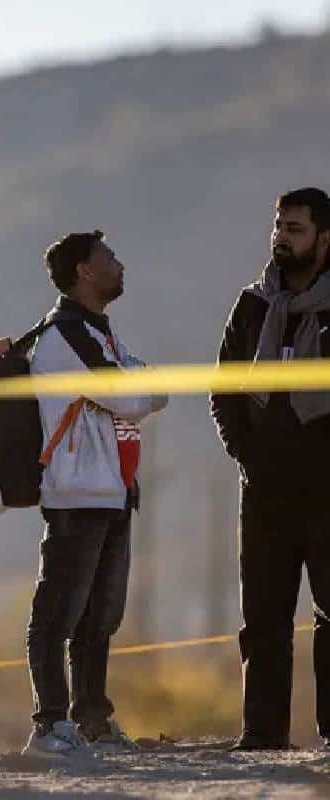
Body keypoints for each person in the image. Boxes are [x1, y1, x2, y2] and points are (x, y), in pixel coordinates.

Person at [23, 230, 168, 758]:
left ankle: (93, 721)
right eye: (110, 258)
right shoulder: (64, 334)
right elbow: (133, 395)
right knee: (59, 612)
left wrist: (137, 385)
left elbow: (149, 387)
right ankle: (50, 725)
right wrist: (136, 385)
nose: (120, 265)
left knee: (100, 617)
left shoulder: (99, 333)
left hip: (113, 491)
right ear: (84, 271)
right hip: (76, 493)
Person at [210, 187, 330, 750]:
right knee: (262, 616)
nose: (283, 237)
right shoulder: (254, 305)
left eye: (297, 229)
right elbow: (224, 390)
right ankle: (261, 735)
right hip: (263, 488)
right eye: (279, 226)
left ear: (324, 239)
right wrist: (245, 453)